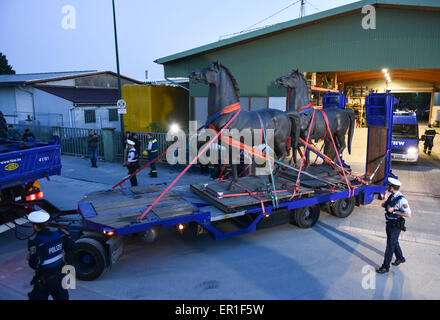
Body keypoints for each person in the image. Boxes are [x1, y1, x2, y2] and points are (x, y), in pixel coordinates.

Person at [27, 210, 75, 300]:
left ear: (35, 227)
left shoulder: (35, 242)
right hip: (60, 276)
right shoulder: (59, 234)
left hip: (45, 279)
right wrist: (67, 263)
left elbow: (34, 264)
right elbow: (71, 247)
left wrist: (29, 258)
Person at [376, 178, 411, 274]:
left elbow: (408, 214)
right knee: (394, 242)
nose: (387, 187)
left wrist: (395, 211)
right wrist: (384, 205)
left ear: (392, 187)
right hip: (389, 223)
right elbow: (387, 205)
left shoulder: (402, 200)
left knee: (390, 246)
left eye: (389, 186)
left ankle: (385, 267)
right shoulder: (392, 195)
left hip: (395, 226)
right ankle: (400, 258)